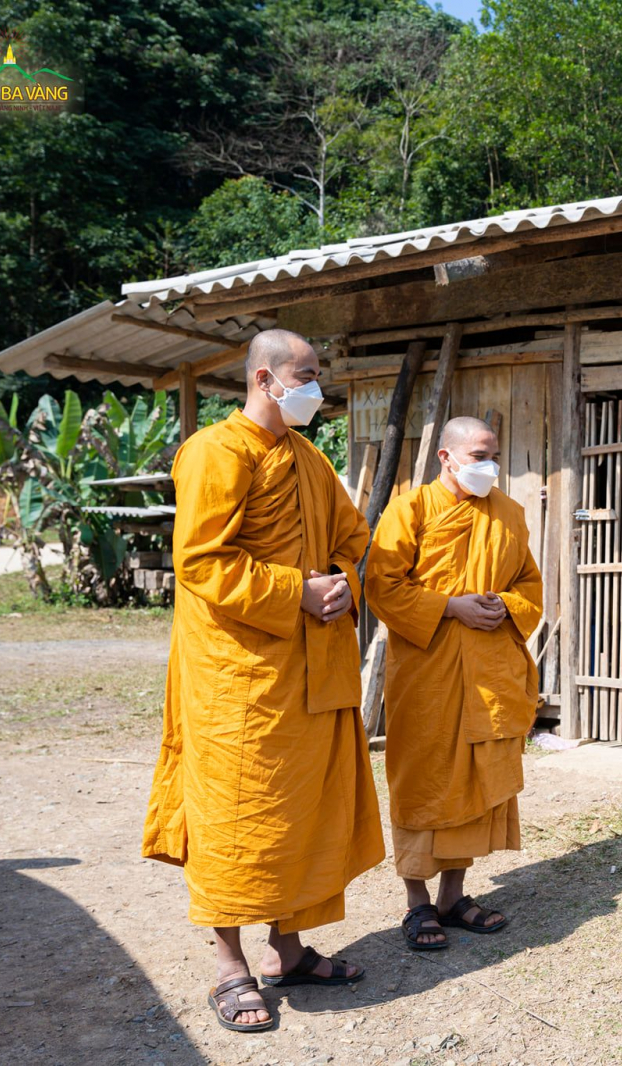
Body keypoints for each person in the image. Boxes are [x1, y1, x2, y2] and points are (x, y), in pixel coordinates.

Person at [143, 329, 384, 1032]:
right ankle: (229, 966)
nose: (316, 388)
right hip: (237, 674)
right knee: (236, 816)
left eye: (316, 375)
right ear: (262, 378)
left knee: (300, 813)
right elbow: (202, 562)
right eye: (304, 376)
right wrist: (296, 592)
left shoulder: (307, 457)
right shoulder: (214, 452)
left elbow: (353, 538)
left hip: (308, 669)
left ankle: (289, 949)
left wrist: (342, 583)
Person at [364, 416, 542, 950]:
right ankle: (419, 903)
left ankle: (454, 895)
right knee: (424, 780)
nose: (488, 466)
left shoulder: (508, 513)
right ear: (446, 457)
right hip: (429, 674)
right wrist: (449, 607)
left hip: (489, 673)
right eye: (477, 456)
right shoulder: (410, 510)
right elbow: (382, 585)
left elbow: (528, 583)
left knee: (476, 781)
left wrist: (504, 606)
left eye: (494, 456)